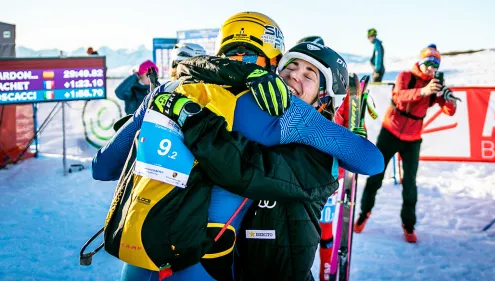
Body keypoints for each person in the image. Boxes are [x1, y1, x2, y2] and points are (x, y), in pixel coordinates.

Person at [93, 12, 382, 281]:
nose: (294, 76)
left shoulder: (166, 90)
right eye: (289, 66)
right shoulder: (276, 107)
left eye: (308, 74)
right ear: (272, 59)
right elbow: (369, 161)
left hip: (136, 252)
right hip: (202, 262)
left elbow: (102, 168)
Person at [353, 44, 458, 243]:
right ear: (421, 62)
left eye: (435, 65)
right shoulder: (405, 76)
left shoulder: (435, 85)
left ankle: (408, 225)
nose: (431, 68)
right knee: (375, 175)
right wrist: (423, 91)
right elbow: (399, 96)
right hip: (390, 131)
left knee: (410, 184)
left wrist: (448, 98)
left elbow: (449, 111)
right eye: (428, 63)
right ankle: (364, 213)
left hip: (413, 138)